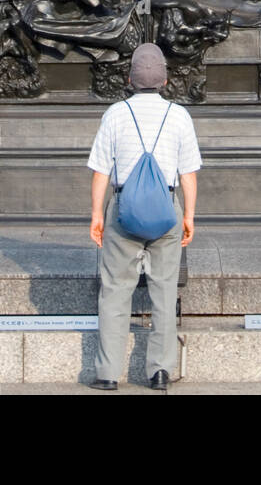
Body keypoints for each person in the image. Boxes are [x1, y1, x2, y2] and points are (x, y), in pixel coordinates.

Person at [87, 42, 201, 391]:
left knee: (115, 290)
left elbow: (101, 171)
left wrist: (96, 214)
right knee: (164, 291)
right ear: (165, 81)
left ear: (129, 79)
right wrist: (189, 216)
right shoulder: (179, 116)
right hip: (166, 208)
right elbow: (188, 174)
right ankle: (160, 371)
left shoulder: (115, 114)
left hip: (124, 209)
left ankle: (108, 373)